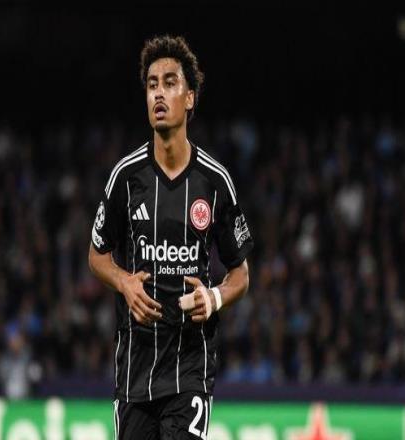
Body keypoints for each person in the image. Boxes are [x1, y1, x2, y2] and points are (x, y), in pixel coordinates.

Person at [88, 34, 253, 439]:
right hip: (134, 371)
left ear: (190, 98)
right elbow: (97, 255)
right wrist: (124, 282)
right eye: (151, 85)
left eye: (169, 82)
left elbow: (241, 275)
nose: (158, 93)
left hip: (190, 368)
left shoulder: (215, 181)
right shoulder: (126, 177)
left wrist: (213, 298)